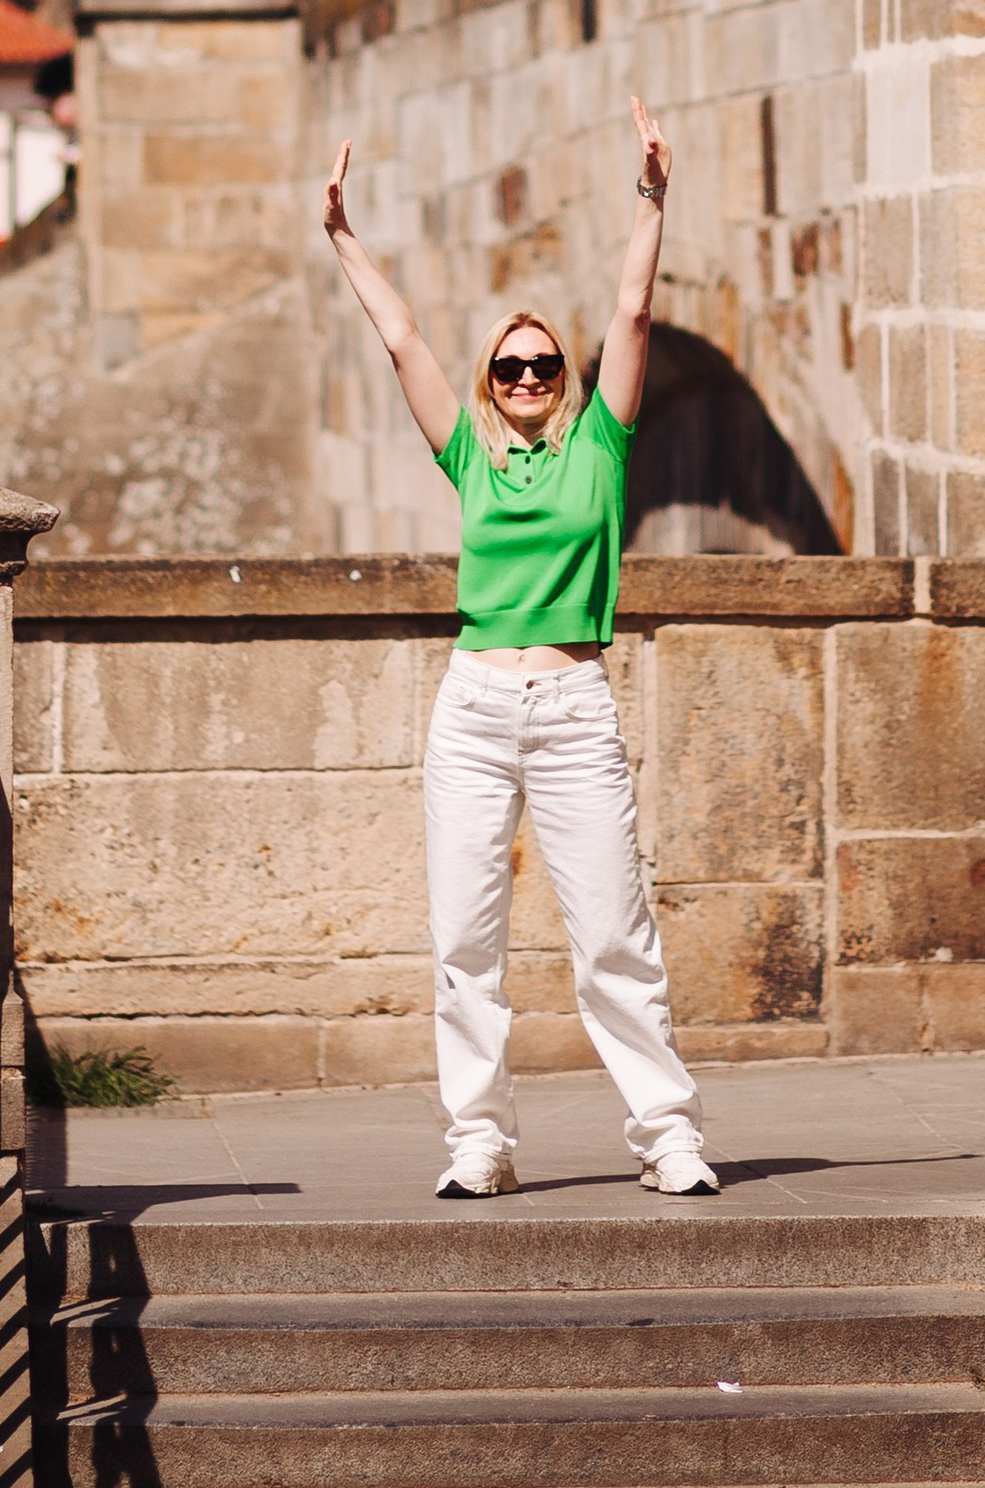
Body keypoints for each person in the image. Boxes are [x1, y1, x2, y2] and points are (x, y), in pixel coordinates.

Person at [321, 99, 717, 1201]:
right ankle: (478, 1141)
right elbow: (403, 338)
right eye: (510, 368)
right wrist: (344, 235)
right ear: (492, 386)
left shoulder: (602, 446)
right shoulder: (469, 457)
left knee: (611, 937)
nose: (529, 377)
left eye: (542, 363)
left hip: (575, 705)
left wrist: (651, 194)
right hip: (476, 711)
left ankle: (668, 1131)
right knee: (465, 943)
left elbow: (632, 310)